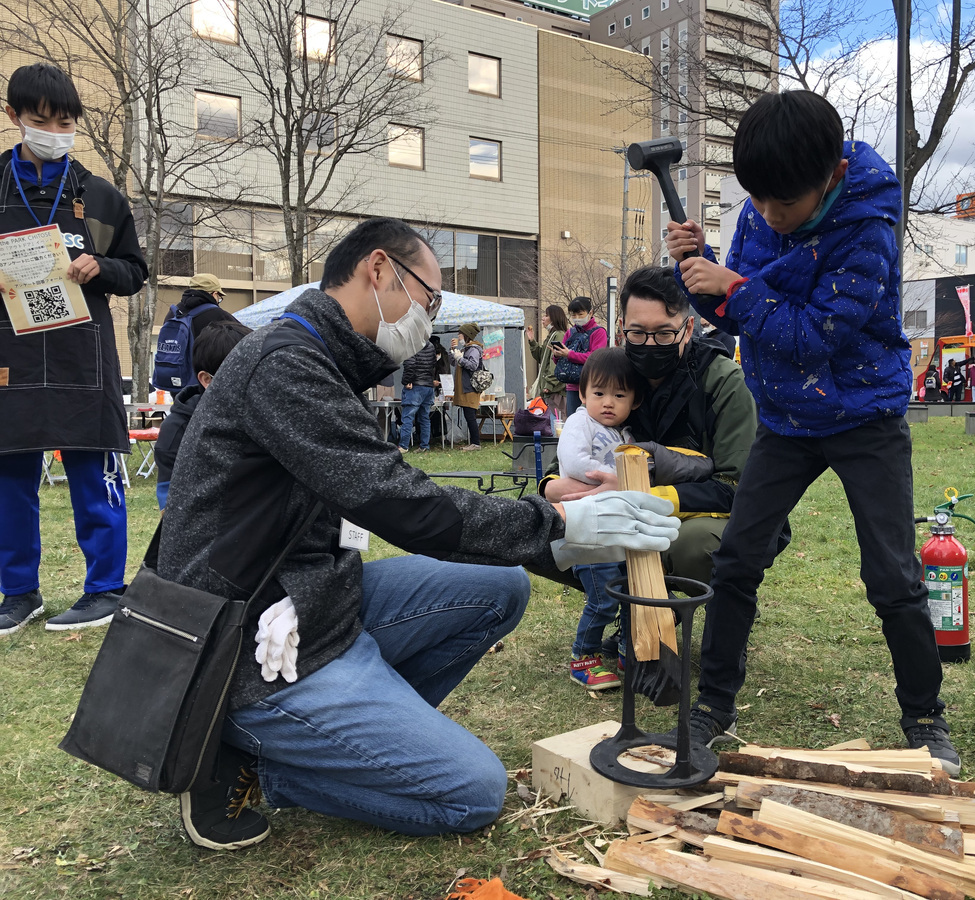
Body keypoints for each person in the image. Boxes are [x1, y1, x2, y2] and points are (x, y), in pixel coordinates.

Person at [157, 217, 678, 850]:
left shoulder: (321, 358)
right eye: (428, 300)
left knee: (499, 587)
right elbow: (399, 503)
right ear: (378, 270)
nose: (427, 322)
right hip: (249, 642)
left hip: (312, 601)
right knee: (473, 792)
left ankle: (358, 735)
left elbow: (393, 486)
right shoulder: (284, 365)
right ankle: (260, 761)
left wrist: (552, 516)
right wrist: (559, 525)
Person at [667, 89, 959, 774]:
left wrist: (734, 286)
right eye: (759, 202)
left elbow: (809, 337)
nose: (769, 217)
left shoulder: (868, 231)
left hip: (864, 417)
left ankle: (924, 715)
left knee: (891, 575)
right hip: (786, 420)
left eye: (783, 206)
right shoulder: (765, 205)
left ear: (829, 176)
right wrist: (700, 272)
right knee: (737, 558)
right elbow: (736, 311)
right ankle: (714, 704)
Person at [0, 63, 148, 635]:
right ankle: (18, 592)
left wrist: (101, 266)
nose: (55, 131)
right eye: (41, 120)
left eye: (66, 122)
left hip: (81, 354)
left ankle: (106, 589)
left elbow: (136, 272)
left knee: (95, 468)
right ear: (15, 117)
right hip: (9, 352)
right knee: (10, 475)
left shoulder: (101, 196)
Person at [543, 266, 763, 650]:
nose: (649, 344)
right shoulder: (619, 377)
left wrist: (636, 493)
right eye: (637, 333)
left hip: (711, 513)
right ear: (621, 328)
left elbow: (738, 487)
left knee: (689, 544)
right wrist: (553, 487)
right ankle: (638, 616)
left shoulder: (723, 382)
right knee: (550, 529)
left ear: (689, 328)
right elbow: (570, 453)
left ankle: (723, 610)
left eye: (663, 333)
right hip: (621, 499)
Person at [557, 348, 643, 690]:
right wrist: (616, 477)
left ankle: (626, 652)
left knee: (626, 591)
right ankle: (584, 659)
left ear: (634, 401)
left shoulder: (626, 434)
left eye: (619, 395)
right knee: (603, 598)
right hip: (586, 528)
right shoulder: (581, 422)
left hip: (616, 530)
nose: (608, 402)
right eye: (599, 393)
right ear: (582, 393)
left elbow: (641, 468)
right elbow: (576, 463)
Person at [154, 320, 252, 508]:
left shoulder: (265, 415)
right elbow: (171, 516)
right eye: (241, 375)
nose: (253, 384)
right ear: (207, 379)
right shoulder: (177, 433)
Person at [551, 297, 607, 416]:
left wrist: (570, 354)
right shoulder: (570, 332)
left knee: (591, 421)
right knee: (573, 421)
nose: (577, 318)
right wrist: (557, 355)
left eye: (580, 314)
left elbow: (596, 358)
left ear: (590, 312)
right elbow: (561, 362)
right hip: (572, 386)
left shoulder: (599, 332)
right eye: (573, 315)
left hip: (591, 386)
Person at [527, 305, 568, 419]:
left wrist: (549, 384)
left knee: (556, 422)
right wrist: (532, 341)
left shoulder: (559, 335)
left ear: (554, 318)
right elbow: (542, 357)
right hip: (550, 389)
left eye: (546, 315)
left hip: (555, 390)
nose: (543, 319)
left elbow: (556, 361)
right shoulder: (552, 335)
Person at [451, 322, 484, 450]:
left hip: (470, 388)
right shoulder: (466, 349)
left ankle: (476, 443)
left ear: (467, 335)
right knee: (468, 415)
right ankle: (473, 443)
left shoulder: (473, 349)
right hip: (464, 388)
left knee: (470, 416)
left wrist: (460, 359)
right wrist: (453, 351)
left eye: (460, 334)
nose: (458, 336)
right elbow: (453, 362)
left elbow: (473, 365)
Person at [399, 339, 436, 452]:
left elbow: (409, 364)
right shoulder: (430, 345)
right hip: (428, 386)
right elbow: (433, 363)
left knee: (408, 417)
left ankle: (404, 446)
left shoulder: (411, 344)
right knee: (424, 418)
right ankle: (424, 445)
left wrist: (406, 381)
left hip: (415, 386)